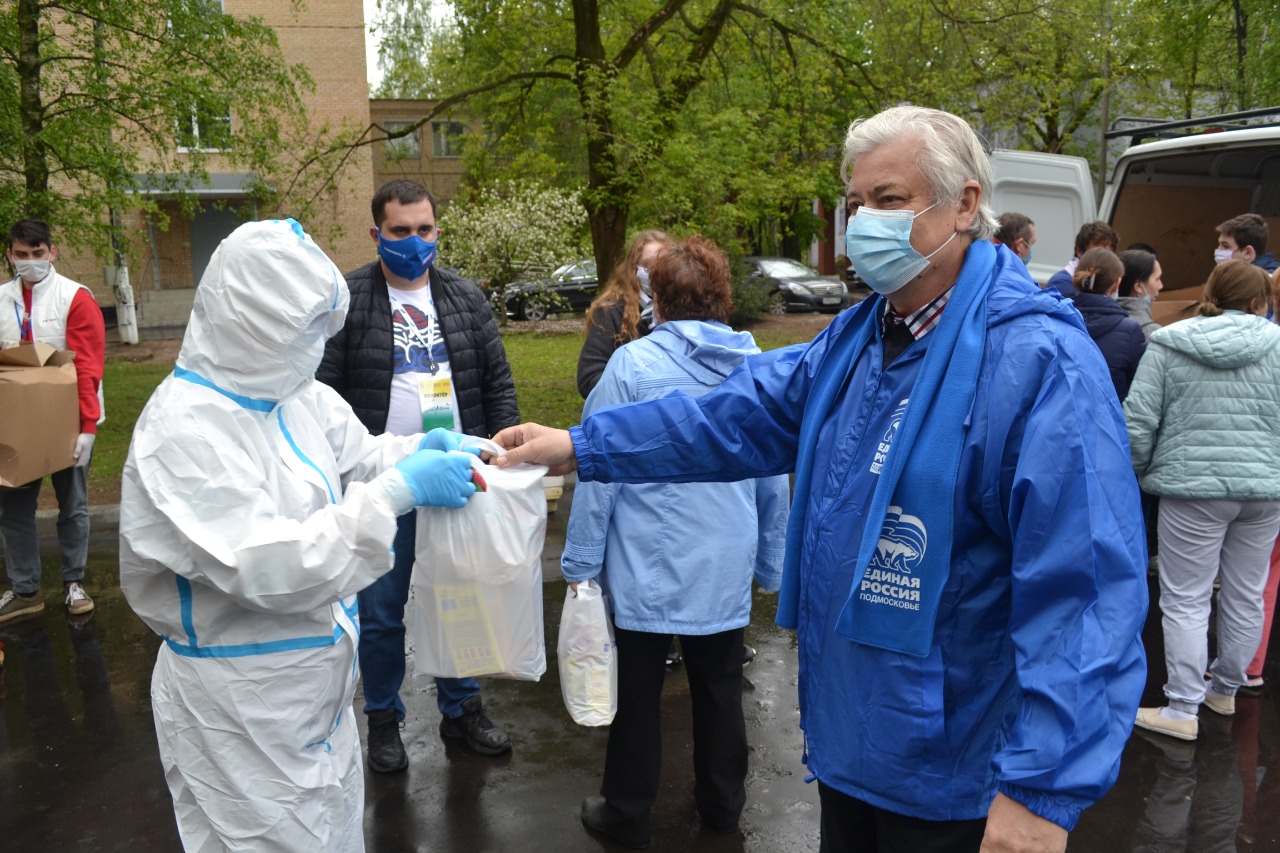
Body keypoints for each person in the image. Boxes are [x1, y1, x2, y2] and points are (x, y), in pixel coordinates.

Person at [493, 105, 1148, 853]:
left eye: (889, 199)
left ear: (965, 204)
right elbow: (730, 417)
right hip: (850, 743)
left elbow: (1085, 589)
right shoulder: (857, 340)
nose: (864, 222)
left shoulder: (1039, 363)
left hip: (955, 774)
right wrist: (580, 445)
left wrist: (1041, 792)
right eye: (855, 202)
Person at [120, 219, 480, 852]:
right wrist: (396, 494)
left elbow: (359, 457)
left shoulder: (294, 394)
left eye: (321, 326)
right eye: (302, 328)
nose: (315, 344)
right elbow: (268, 565)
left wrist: (419, 450)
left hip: (316, 694)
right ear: (248, 319)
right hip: (240, 709)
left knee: (333, 833)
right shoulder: (184, 429)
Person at [565, 235, 790, 849]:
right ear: (723, 298)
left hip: (647, 560)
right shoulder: (756, 370)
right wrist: (771, 563)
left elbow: (597, 468)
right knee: (720, 688)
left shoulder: (630, 366)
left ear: (655, 299)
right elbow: (774, 473)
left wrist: (581, 563)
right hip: (723, 559)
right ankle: (723, 807)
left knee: (637, 692)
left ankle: (626, 812)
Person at [317, 179, 518, 770]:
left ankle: (462, 708)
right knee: (383, 611)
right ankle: (384, 719)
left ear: (437, 230)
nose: (414, 241)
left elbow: (497, 381)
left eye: (424, 229)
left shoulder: (465, 297)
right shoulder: (350, 301)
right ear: (376, 233)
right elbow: (322, 395)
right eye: (400, 231)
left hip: (457, 475)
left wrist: (502, 451)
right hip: (383, 482)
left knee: (459, 598)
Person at [1127, 259, 1280, 744]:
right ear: (1259, 302)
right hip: (1265, 491)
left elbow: (1139, 422)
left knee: (1186, 598)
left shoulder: (1169, 342)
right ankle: (1225, 689)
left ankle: (1181, 707)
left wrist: (1140, 473)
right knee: (1246, 592)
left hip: (1190, 489)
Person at [0, 219, 105, 625]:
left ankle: (74, 583)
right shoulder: (2, 299)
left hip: (68, 422)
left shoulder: (75, 298)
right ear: (10, 255)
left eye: (37, 253)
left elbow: (88, 367)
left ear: (52, 252)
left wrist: (88, 427)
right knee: (14, 510)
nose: (30, 261)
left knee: (72, 505)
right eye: (21, 254)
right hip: (17, 424)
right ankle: (26, 590)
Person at [576, 229, 673, 398]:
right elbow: (589, 378)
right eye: (648, 265)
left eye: (662, 264)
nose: (655, 271)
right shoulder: (610, 313)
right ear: (633, 269)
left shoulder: (684, 309)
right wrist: (641, 394)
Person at [1069, 247, 1146, 400]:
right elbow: (1139, 389)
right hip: (1108, 414)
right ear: (1117, 284)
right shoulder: (1129, 330)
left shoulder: (1056, 320)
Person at [1047, 221, 1119, 296]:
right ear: (1079, 251)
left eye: (1107, 255)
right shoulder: (1061, 283)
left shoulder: (1107, 284)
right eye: (1096, 253)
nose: (1102, 260)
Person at [1117, 248, 1164, 339]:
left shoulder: (1100, 320)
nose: (1161, 286)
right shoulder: (1151, 333)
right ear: (1138, 286)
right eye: (1157, 279)